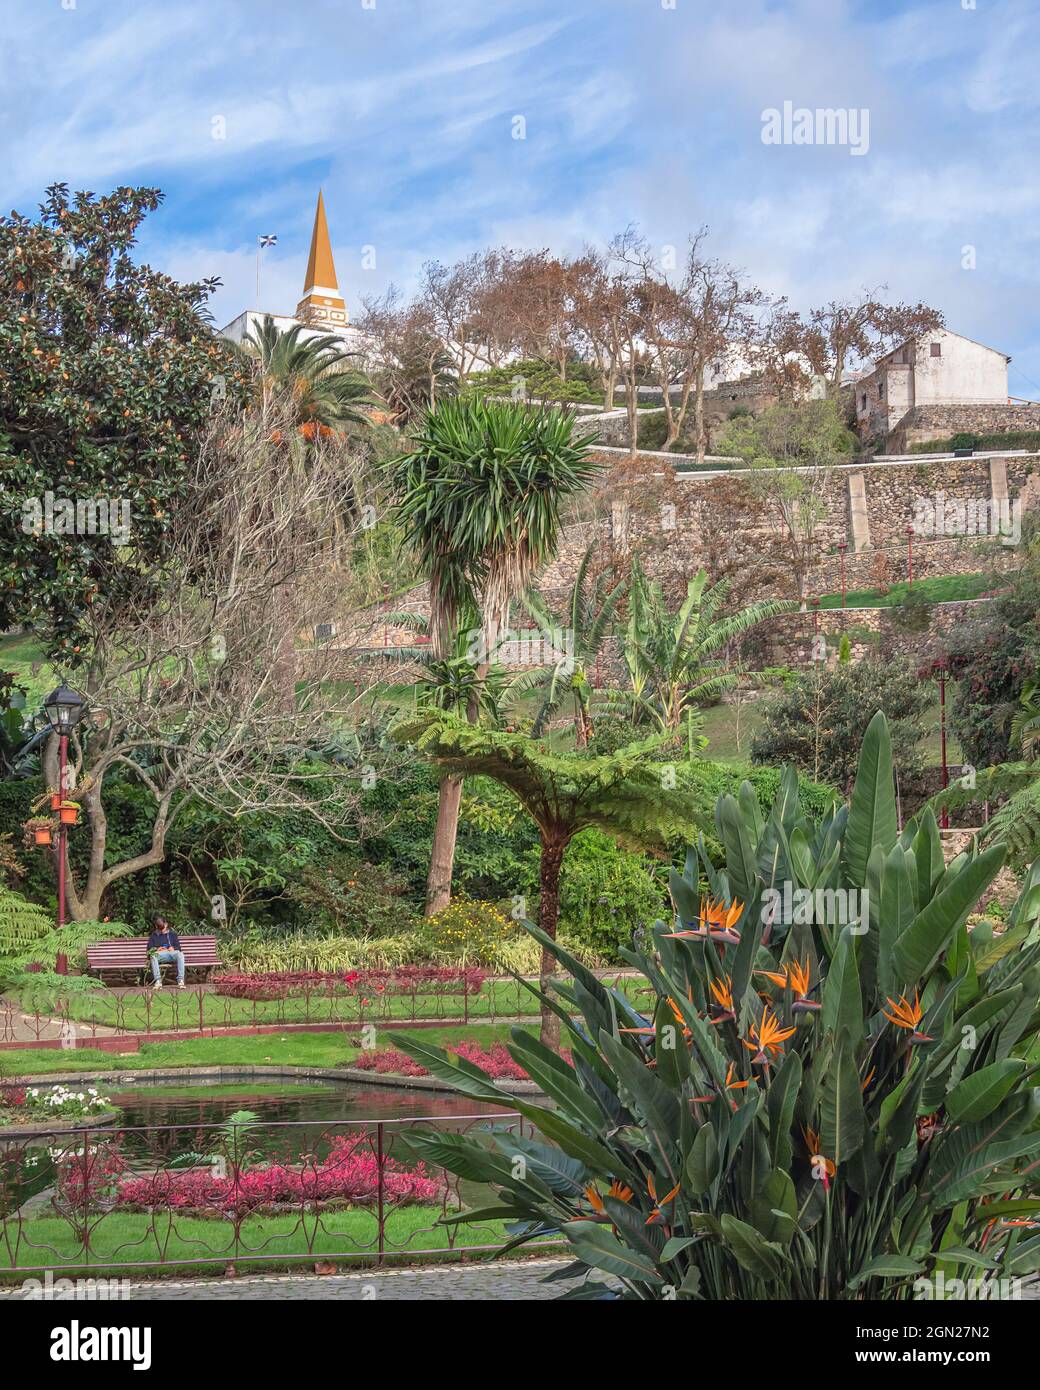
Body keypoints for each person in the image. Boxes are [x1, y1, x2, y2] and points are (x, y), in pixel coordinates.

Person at [147, 916, 186, 990]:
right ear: (156, 926)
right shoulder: (153, 936)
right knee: (153, 956)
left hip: (171, 953)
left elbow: (179, 948)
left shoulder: (172, 935)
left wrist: (173, 948)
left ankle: (180, 980)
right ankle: (158, 981)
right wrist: (157, 949)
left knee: (180, 954)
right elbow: (149, 949)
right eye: (159, 928)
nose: (161, 930)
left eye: (163, 928)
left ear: (166, 924)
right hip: (160, 955)